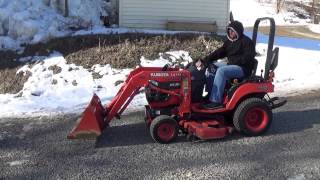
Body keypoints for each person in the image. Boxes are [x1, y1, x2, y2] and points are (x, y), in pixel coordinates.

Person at [202, 20, 256, 109]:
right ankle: (211, 94)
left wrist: (234, 61)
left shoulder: (247, 42)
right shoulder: (229, 42)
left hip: (243, 68)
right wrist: (207, 59)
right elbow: (220, 52)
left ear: (237, 31)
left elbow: (248, 58)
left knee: (222, 71)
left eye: (232, 30)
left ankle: (215, 101)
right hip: (232, 65)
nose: (230, 32)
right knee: (212, 67)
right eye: (229, 30)